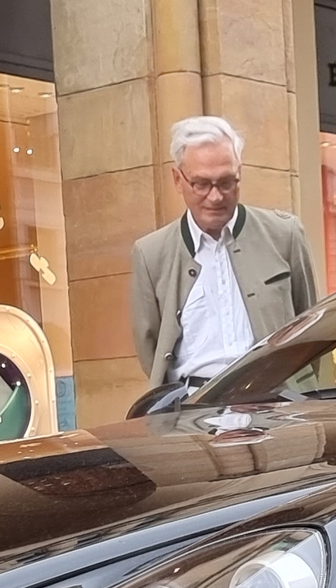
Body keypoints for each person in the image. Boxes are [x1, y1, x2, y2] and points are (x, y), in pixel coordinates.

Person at [129, 116, 320, 403]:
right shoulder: (151, 254)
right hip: (193, 414)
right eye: (201, 184)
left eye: (227, 182)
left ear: (239, 173)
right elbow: (151, 348)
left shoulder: (284, 235)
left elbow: (311, 326)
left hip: (276, 408)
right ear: (178, 180)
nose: (216, 196)